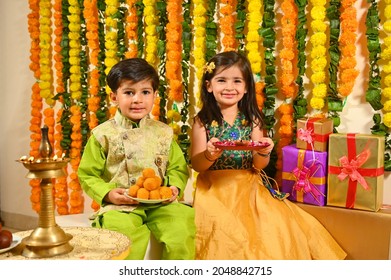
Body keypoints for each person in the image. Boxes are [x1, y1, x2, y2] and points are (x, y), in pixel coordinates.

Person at [190, 51, 346, 260]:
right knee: (225, 229)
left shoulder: (252, 119)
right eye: (221, 80)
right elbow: (197, 165)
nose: (229, 87)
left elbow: (259, 165)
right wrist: (209, 154)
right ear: (209, 86)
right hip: (214, 187)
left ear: (246, 88)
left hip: (248, 185)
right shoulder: (203, 121)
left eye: (237, 81)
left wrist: (263, 151)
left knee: (277, 223)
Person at [78, 58, 195, 260]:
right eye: (129, 92)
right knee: (123, 236)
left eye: (145, 92)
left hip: (161, 203)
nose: (137, 99)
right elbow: (88, 174)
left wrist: (175, 187)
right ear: (114, 96)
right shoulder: (102, 135)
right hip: (121, 206)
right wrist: (108, 194)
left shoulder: (164, 133)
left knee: (181, 226)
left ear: (155, 96)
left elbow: (177, 168)